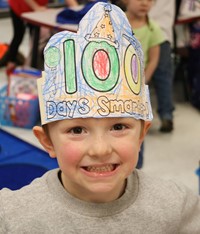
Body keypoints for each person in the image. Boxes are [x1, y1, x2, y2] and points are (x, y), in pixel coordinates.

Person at [0, 3, 200, 233]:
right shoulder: (12, 217)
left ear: (141, 134)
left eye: (118, 126)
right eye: (77, 130)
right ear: (47, 141)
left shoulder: (176, 207)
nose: (100, 149)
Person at [120, 0, 164, 168]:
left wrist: (142, 82)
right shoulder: (116, 21)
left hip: (137, 89)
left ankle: (136, 167)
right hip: (113, 86)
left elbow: (153, 59)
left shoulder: (153, 29)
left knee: (136, 127)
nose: (145, 3)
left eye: (149, 0)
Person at [149, 0, 175, 132]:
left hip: (140, 29)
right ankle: (166, 115)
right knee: (163, 77)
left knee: (136, 76)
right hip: (163, 31)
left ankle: (139, 115)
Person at [5, 0, 48, 74]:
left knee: (34, 37)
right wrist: (36, 7)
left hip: (36, 9)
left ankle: (31, 65)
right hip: (19, 5)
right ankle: (10, 64)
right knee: (18, 35)